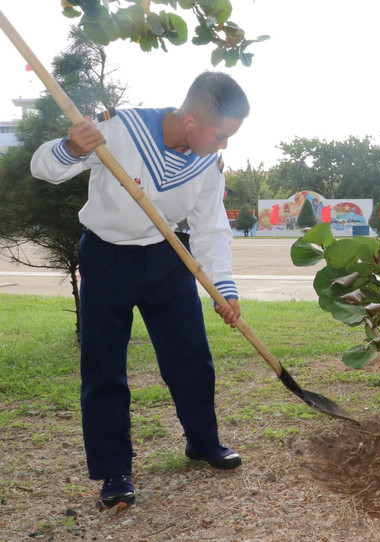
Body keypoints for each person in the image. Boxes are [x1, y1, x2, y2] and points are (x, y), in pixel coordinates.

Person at [31, 72, 249, 508]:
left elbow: (210, 228)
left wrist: (223, 288)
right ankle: (114, 471)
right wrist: (72, 147)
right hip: (108, 257)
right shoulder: (118, 129)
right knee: (104, 367)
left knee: (190, 356)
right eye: (221, 134)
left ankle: (203, 442)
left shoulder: (208, 163)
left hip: (169, 255)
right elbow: (43, 168)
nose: (224, 144)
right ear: (191, 121)